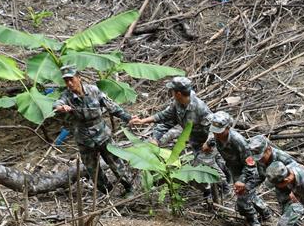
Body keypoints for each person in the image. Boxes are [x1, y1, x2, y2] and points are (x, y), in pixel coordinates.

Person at [52, 65, 133, 194]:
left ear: (79, 78)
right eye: (66, 81)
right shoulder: (66, 96)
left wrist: (128, 118)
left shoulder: (93, 90)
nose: (69, 83)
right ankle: (108, 192)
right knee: (93, 169)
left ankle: (129, 187)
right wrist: (61, 107)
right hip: (83, 138)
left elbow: (112, 107)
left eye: (71, 79)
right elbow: (56, 104)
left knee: (115, 162)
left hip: (102, 134)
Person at [201, 112, 270, 226]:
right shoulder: (218, 135)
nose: (216, 134)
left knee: (242, 201)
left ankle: (253, 221)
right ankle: (265, 212)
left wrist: (242, 181)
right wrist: (208, 143)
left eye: (220, 131)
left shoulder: (238, 142)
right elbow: (214, 137)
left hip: (247, 171)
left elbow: (251, 165)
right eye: (215, 130)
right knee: (247, 195)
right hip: (235, 169)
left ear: (228, 128)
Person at [129, 76, 210, 150]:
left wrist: (209, 143)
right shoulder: (178, 103)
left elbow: (214, 127)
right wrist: (142, 121)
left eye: (172, 91)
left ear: (178, 94)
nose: (171, 93)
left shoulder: (200, 108)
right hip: (194, 141)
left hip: (207, 144)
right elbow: (164, 115)